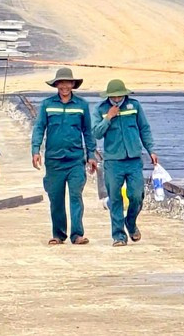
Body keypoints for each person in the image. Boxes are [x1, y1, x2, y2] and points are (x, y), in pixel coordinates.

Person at [31, 67, 97, 246]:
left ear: (73, 84)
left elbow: (87, 132)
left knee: (76, 196)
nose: (65, 86)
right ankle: (59, 235)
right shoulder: (47, 104)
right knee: (56, 199)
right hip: (54, 161)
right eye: (61, 83)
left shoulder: (82, 105)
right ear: (56, 84)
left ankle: (77, 235)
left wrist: (91, 155)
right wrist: (35, 150)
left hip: (76, 160)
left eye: (68, 82)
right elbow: (39, 128)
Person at [92, 79, 158, 247]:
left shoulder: (134, 106)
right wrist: (108, 118)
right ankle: (119, 236)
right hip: (113, 161)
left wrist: (151, 150)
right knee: (115, 198)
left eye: (120, 95)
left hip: (134, 159)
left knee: (136, 195)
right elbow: (96, 133)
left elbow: (144, 128)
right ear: (109, 97)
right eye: (113, 96)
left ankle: (131, 222)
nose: (117, 99)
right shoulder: (100, 109)